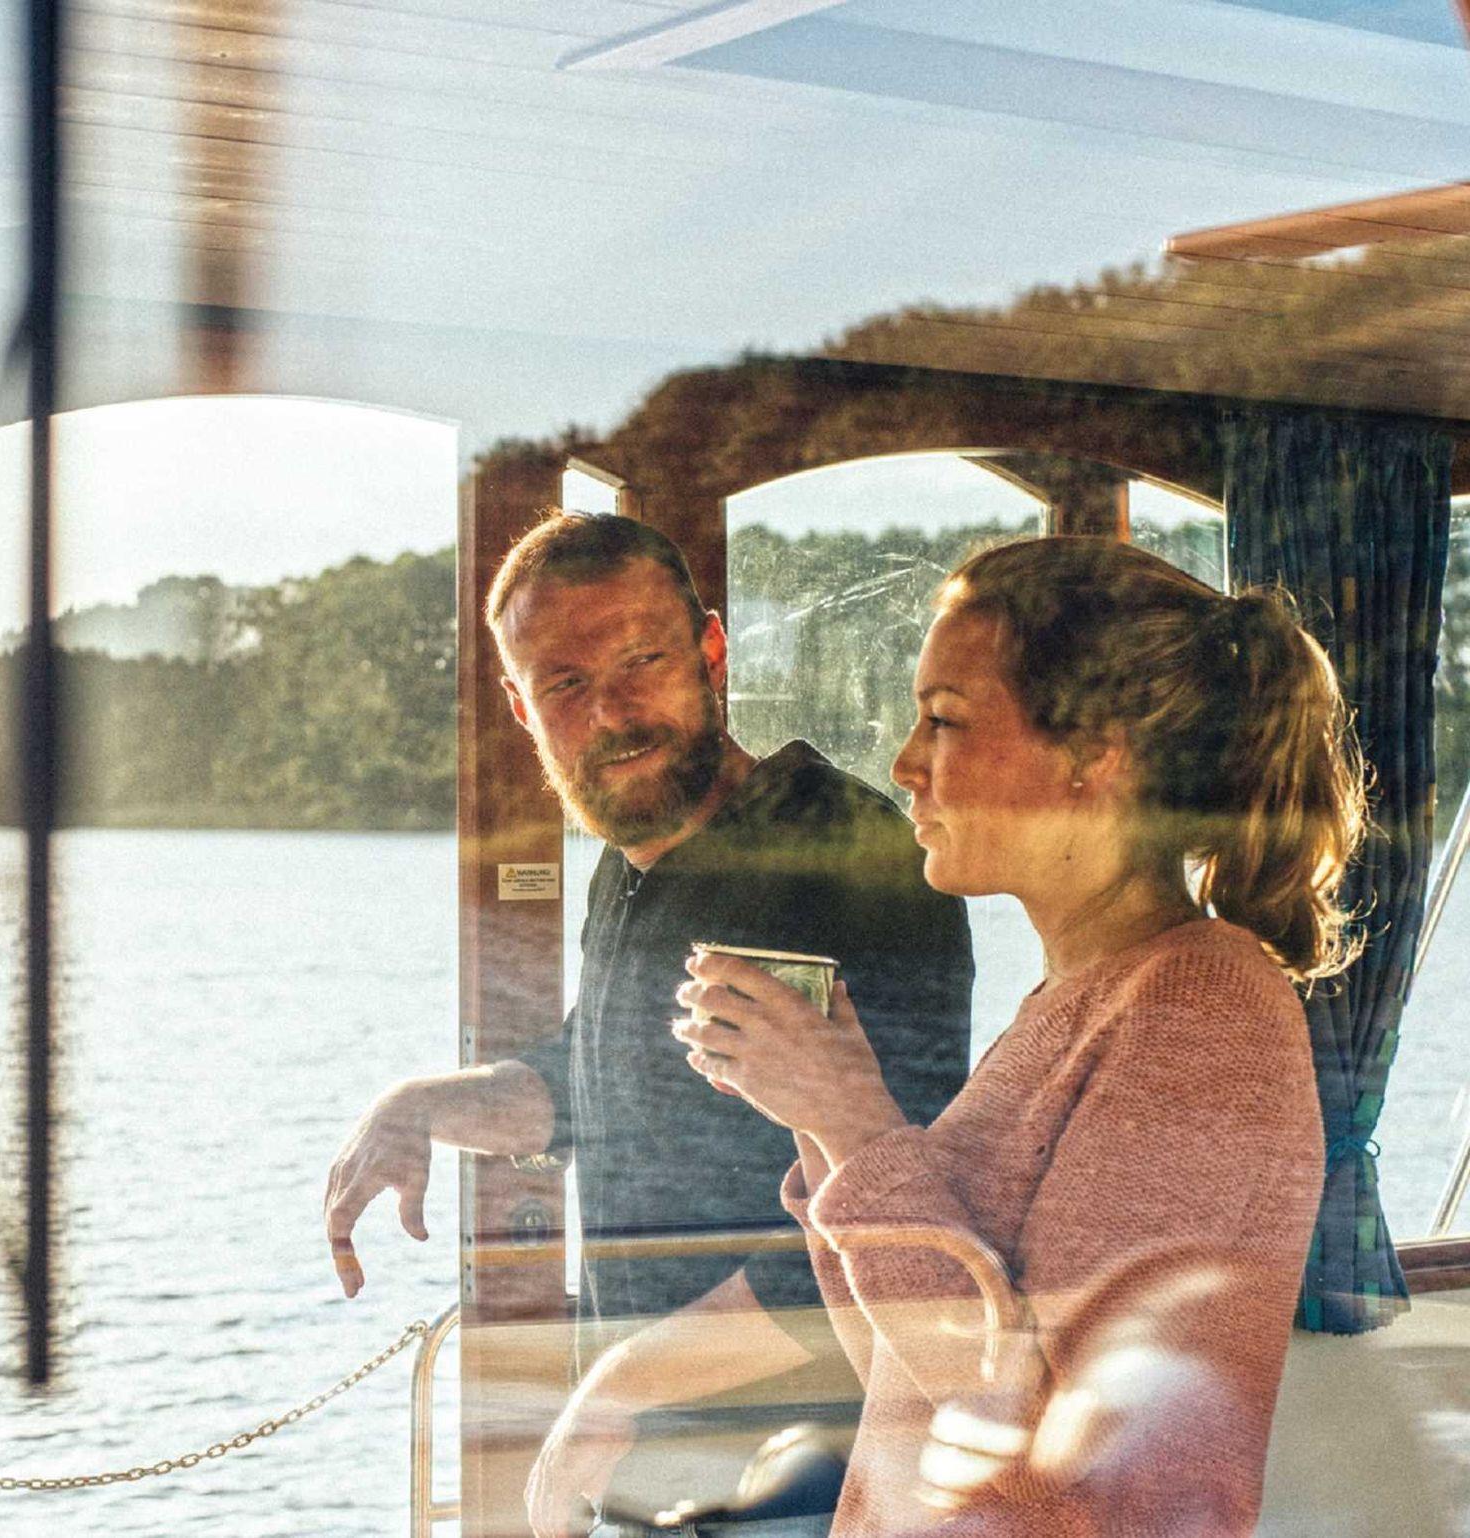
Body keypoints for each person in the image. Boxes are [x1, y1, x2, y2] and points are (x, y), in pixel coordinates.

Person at [674, 536, 1359, 1536]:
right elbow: (901, 1376)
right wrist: (816, 1116)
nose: (904, 763)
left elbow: (1061, 1455)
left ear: (1094, 754)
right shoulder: (1074, 1000)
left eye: (944, 719)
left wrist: (854, 1121)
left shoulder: (1201, 1009)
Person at [323, 511, 973, 1537]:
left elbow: (903, 1205)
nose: (612, 713)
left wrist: (615, 1388)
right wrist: (421, 1105)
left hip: (813, 1486)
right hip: (656, 1478)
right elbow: (589, 1081)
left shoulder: (844, 853)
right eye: (565, 684)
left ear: (711, 652)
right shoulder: (629, 865)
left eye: (641, 661)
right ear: (521, 707)